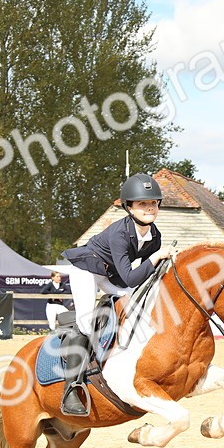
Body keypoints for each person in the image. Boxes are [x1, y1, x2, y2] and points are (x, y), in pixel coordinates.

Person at [56, 173, 177, 415]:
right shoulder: (119, 233)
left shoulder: (155, 236)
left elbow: (143, 278)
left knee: (136, 305)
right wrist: (155, 258)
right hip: (86, 270)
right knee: (86, 323)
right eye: (143, 204)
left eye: (153, 203)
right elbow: (132, 276)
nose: (150, 208)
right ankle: (71, 389)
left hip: (110, 273)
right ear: (129, 207)